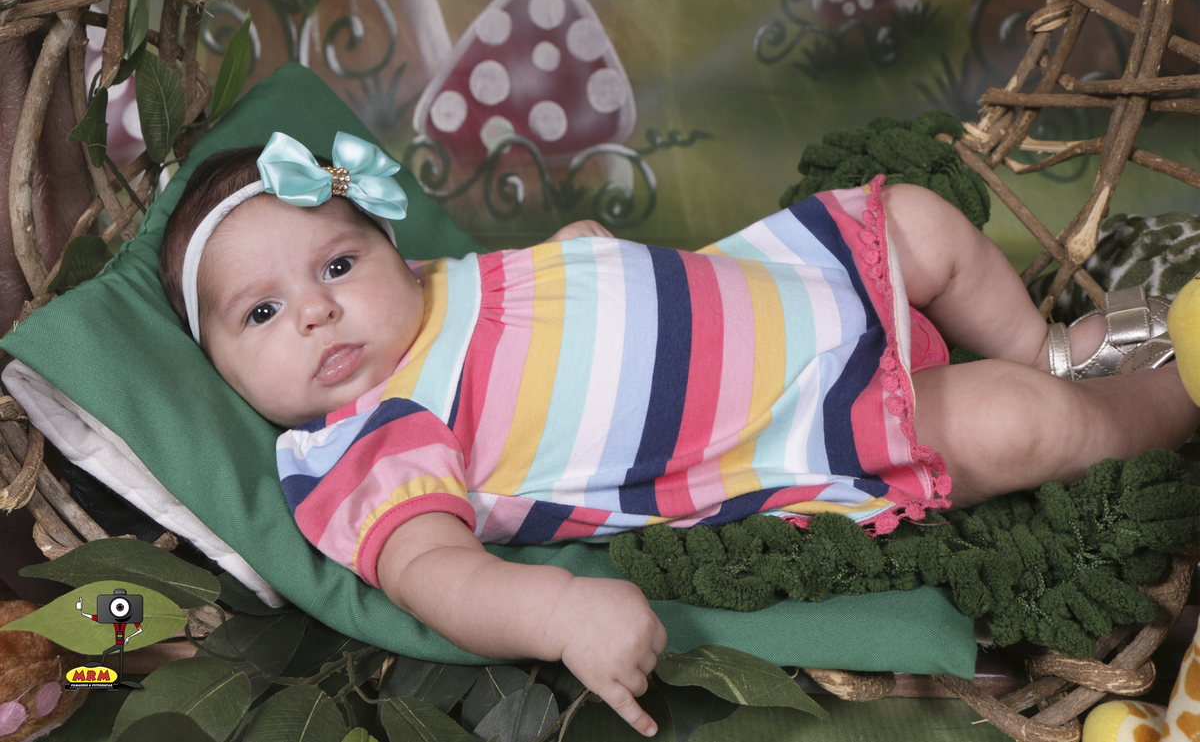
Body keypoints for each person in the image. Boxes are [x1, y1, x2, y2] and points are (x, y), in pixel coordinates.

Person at [159, 131, 1199, 737]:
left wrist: (576, 253)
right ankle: (1178, 387)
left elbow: (535, 298)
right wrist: (559, 612)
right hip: (801, 421)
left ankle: (1041, 344)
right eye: (261, 313)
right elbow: (434, 571)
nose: (316, 310)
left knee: (920, 218)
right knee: (1021, 425)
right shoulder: (373, 438)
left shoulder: (431, 286)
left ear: (386, 248)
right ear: (219, 366)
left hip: (783, 278)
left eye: (338, 264)